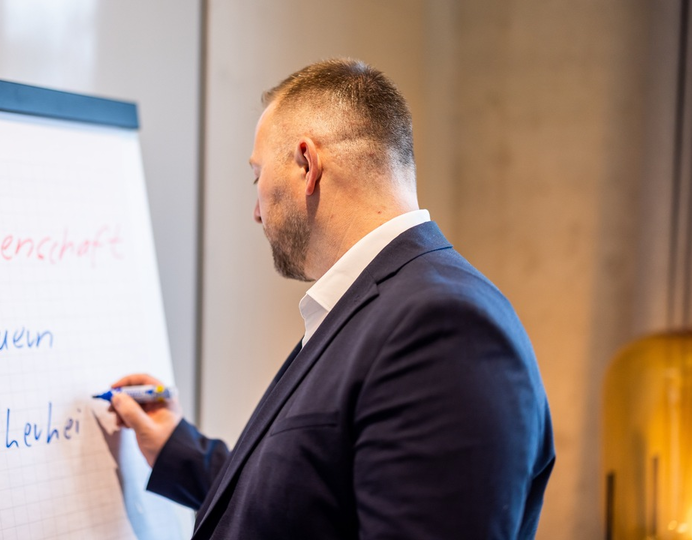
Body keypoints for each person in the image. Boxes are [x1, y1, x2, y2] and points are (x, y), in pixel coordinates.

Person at [111, 58, 555, 539]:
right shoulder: (377, 304)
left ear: (307, 164)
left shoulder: (445, 329)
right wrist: (180, 450)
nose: (256, 211)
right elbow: (310, 499)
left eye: (257, 175)